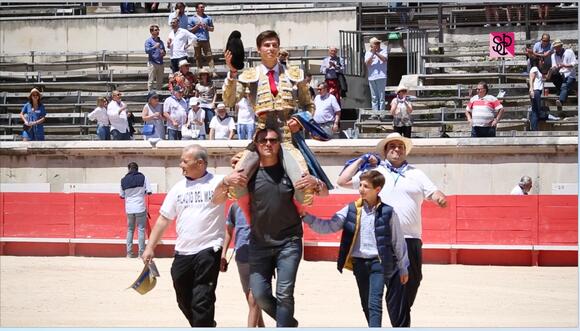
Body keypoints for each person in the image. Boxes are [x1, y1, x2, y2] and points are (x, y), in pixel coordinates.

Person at [337, 132, 448, 326]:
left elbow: (433, 191)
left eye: (400, 147)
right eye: (392, 146)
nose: (397, 149)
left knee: (408, 287)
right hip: (379, 241)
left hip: (410, 239)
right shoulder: (375, 173)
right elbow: (342, 181)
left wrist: (439, 196)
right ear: (385, 151)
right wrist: (362, 159)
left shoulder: (417, 173)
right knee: (371, 295)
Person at [225, 127, 329, 327]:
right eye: (263, 140)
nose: (268, 144)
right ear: (256, 144)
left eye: (273, 140)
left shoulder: (291, 172)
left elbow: (324, 194)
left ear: (279, 144)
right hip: (259, 242)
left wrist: (316, 181)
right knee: (260, 294)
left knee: (284, 293)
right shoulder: (249, 175)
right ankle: (288, 323)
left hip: (288, 242)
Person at [222, 30, 333, 207]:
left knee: (303, 186)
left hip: (287, 138)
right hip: (260, 139)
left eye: (274, 45)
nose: (271, 48)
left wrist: (299, 120)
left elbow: (308, 105)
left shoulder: (294, 74)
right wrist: (232, 73)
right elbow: (229, 101)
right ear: (259, 49)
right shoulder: (249, 76)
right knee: (236, 185)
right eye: (267, 45)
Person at [141, 144, 236, 327]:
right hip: (183, 251)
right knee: (183, 296)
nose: (180, 165)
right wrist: (150, 247)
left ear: (200, 163)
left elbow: (240, 178)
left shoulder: (218, 182)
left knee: (202, 298)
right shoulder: (178, 188)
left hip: (209, 248)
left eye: (185, 161)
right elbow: (163, 219)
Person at [302, 170, 410, 327]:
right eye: (360, 185)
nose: (361, 189)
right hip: (359, 263)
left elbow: (397, 240)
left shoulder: (388, 212)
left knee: (374, 302)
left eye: (366, 186)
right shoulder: (351, 209)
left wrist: (403, 266)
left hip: (378, 263)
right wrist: (307, 217)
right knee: (366, 303)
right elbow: (329, 226)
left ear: (377, 189)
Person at [220, 202, 265, 328]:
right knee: (250, 297)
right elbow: (229, 231)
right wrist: (223, 254)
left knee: (254, 296)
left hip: (261, 255)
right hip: (241, 256)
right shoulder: (234, 207)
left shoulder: (264, 201)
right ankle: (261, 326)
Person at [120, 162, 152, 258]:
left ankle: (129, 253)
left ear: (129, 169)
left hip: (129, 208)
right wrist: (141, 192)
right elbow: (149, 191)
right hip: (140, 207)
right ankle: (141, 253)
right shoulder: (144, 178)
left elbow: (122, 195)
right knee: (141, 229)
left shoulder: (123, 180)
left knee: (130, 230)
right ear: (137, 169)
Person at [188, 2, 215, 73]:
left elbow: (212, 29)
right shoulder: (191, 18)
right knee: (198, 56)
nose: (203, 8)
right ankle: (200, 71)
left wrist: (207, 27)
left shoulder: (208, 18)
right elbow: (189, 30)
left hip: (205, 39)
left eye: (203, 7)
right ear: (197, 9)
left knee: (209, 55)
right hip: (196, 40)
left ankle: (212, 71)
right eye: (201, 7)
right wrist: (197, 26)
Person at [549, 39, 577, 107]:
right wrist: (555, 68)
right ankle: (564, 91)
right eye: (555, 47)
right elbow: (554, 66)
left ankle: (561, 101)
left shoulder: (569, 52)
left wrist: (564, 65)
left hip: (570, 74)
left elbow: (575, 64)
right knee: (553, 74)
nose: (557, 48)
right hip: (560, 74)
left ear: (561, 46)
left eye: (558, 46)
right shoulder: (553, 55)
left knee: (564, 85)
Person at [365, 37, 388, 112]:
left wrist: (376, 53)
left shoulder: (383, 51)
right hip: (372, 77)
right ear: (372, 45)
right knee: (374, 97)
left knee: (381, 97)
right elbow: (367, 63)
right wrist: (372, 54)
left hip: (381, 76)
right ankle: (375, 113)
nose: (378, 44)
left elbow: (384, 59)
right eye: (376, 43)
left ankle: (381, 113)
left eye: (378, 43)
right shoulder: (368, 53)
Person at [145, 24, 166, 91]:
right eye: (156, 30)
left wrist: (163, 53)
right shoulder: (148, 41)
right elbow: (147, 51)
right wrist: (154, 47)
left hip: (161, 63)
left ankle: (158, 96)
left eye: (158, 30)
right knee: (151, 81)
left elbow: (164, 52)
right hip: (152, 63)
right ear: (151, 32)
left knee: (160, 82)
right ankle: (150, 96)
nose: (157, 31)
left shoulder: (161, 41)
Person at [195, 67, 217, 134]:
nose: (204, 76)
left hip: (209, 103)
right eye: (202, 74)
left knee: (211, 119)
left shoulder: (212, 84)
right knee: (202, 119)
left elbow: (215, 93)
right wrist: (196, 103)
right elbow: (196, 95)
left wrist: (213, 102)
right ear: (200, 76)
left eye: (205, 74)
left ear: (207, 75)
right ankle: (202, 133)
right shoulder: (198, 85)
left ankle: (211, 134)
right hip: (201, 103)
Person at [528, 56, 544, 131]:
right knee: (535, 111)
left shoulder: (538, 69)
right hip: (536, 91)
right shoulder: (534, 68)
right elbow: (531, 79)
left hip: (537, 91)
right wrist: (531, 89)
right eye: (541, 61)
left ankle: (534, 129)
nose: (542, 62)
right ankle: (534, 130)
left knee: (536, 110)